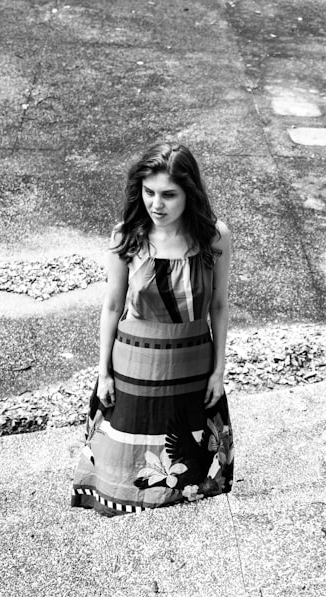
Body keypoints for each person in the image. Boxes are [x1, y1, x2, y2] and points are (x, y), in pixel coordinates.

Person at [71, 143, 234, 515]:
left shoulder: (214, 237)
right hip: (135, 364)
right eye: (149, 192)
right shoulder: (127, 235)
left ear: (189, 194)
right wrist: (104, 373)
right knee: (125, 458)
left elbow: (219, 306)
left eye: (168, 195)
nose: (156, 204)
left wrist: (218, 371)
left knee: (188, 459)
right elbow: (112, 306)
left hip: (192, 363)